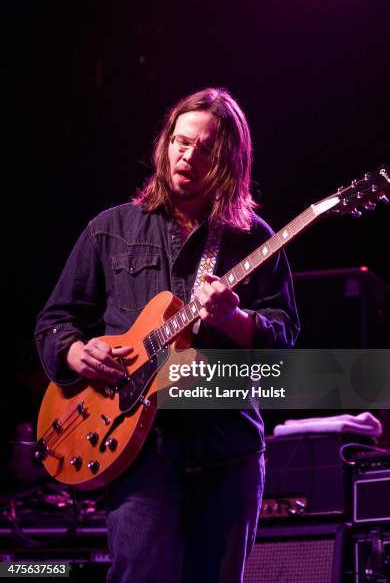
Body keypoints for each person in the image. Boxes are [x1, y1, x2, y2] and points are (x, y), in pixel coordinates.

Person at [35, 87, 299, 582]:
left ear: (228, 160)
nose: (187, 156)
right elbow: (54, 321)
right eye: (180, 142)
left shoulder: (255, 240)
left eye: (204, 149)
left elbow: (282, 344)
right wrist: (75, 353)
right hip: (139, 449)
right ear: (164, 144)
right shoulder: (109, 228)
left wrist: (232, 319)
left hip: (229, 450)